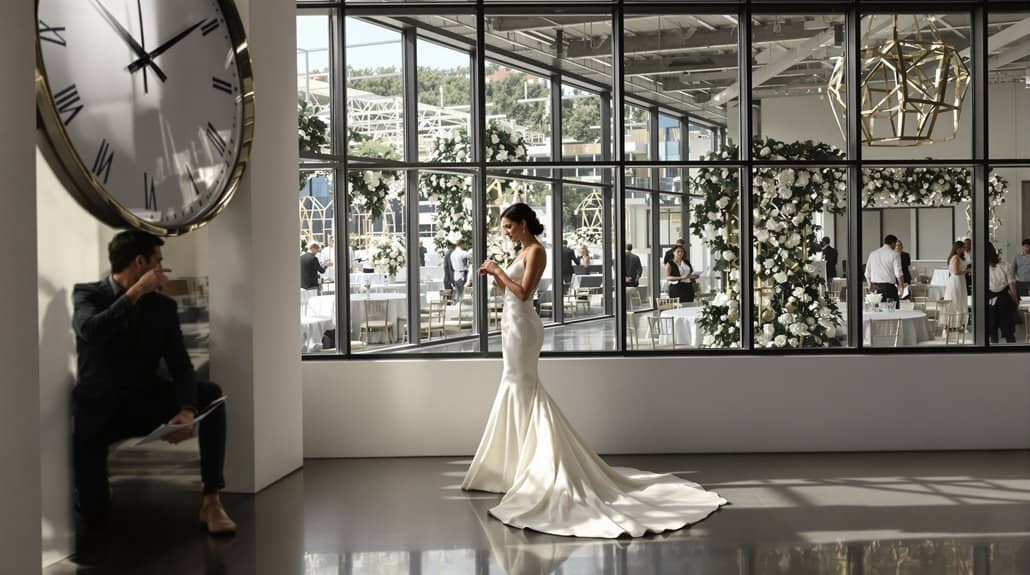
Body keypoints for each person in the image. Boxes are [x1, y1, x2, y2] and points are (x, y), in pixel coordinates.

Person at [463, 203, 724, 538]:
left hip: (524, 328)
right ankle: (512, 465)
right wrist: (495, 276)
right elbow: (508, 293)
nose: (505, 232)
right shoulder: (521, 251)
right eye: (504, 227)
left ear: (524, 224)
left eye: (509, 226)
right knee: (514, 385)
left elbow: (525, 293)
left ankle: (531, 464)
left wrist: (499, 271)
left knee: (522, 384)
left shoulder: (537, 252)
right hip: (511, 325)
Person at [72, 231, 235, 535]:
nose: (163, 267)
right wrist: (134, 294)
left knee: (211, 395)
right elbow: (92, 331)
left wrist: (186, 411)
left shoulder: (163, 308)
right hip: (99, 415)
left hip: (144, 402)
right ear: (140, 263)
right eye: (158, 261)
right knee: (94, 516)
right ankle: (92, 495)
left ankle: (212, 501)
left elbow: (181, 366)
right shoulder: (87, 295)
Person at [987, 242, 1018, 343]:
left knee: (992, 329)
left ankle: (991, 354)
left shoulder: (981, 267)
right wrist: (1015, 299)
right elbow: (1011, 285)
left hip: (989, 298)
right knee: (1008, 329)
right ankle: (1013, 353)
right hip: (1004, 298)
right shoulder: (1005, 265)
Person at [864, 234, 905, 306]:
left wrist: (870, 285)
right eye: (895, 244)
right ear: (893, 243)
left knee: (876, 311)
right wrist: (901, 287)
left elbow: (867, 273)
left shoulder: (873, 254)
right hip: (888, 289)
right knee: (892, 311)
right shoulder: (895, 254)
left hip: (875, 287)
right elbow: (898, 273)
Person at [943, 240, 969, 327]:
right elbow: (956, 271)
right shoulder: (955, 258)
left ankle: (959, 324)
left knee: (960, 300)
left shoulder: (960, 257)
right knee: (955, 300)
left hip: (961, 280)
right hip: (956, 280)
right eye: (963, 247)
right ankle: (951, 324)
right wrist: (968, 270)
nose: (965, 249)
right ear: (958, 248)